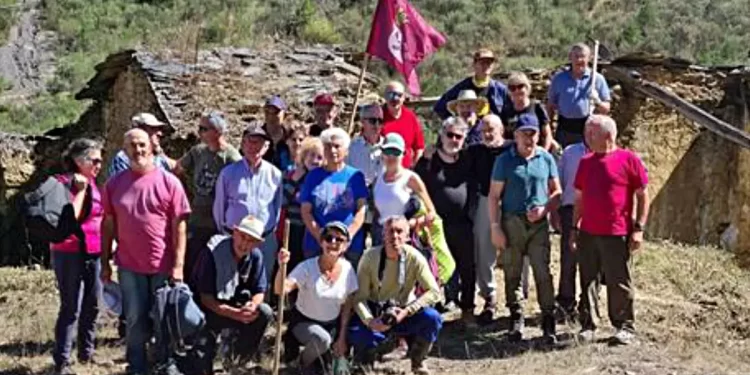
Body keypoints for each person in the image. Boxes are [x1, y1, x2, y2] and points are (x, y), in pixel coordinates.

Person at [101, 128, 191, 375]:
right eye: (132, 145)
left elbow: (180, 226)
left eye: (142, 144)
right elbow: (107, 224)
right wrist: (105, 262)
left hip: (163, 264)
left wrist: (179, 264)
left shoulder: (169, 182)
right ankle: (137, 365)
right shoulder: (114, 185)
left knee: (164, 318)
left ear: (151, 146)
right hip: (129, 264)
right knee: (134, 318)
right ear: (124, 149)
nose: (138, 150)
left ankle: (166, 362)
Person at [571, 115, 649, 345]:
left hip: (617, 232)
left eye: (591, 133)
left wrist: (639, 228)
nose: (587, 137)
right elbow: (579, 198)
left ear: (607, 135)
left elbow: (643, 195)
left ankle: (625, 327)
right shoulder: (586, 162)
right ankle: (588, 325)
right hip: (588, 232)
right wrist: (574, 228)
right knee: (588, 279)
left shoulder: (628, 159)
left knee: (619, 280)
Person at [488, 113, 561, 344]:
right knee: (512, 271)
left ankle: (548, 319)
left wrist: (546, 209)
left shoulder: (546, 158)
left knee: (543, 271)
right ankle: (516, 317)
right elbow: (493, 196)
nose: (529, 139)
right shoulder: (505, 160)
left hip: (538, 223)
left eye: (533, 134)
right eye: (524, 134)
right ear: (516, 135)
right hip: (513, 221)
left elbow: (557, 192)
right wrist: (495, 227)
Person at [348, 216, 442, 375]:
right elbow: (359, 298)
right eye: (390, 231)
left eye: (399, 231)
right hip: (375, 312)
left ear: (407, 236)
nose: (395, 236)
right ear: (383, 234)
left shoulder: (415, 257)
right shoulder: (369, 257)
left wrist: (408, 310)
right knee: (356, 332)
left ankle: (418, 360)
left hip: (403, 312)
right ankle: (365, 362)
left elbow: (434, 292)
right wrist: (370, 321)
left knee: (432, 318)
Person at [192, 214, 274, 373]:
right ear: (234, 232)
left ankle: (240, 357)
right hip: (209, 310)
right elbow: (205, 298)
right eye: (242, 236)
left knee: (264, 312)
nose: (244, 244)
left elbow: (260, 289)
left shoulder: (256, 256)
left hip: (238, 307)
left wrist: (253, 304)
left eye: (251, 240)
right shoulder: (212, 252)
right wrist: (235, 314)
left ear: (258, 243)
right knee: (201, 365)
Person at [275, 222, 358, 375]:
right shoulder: (306, 267)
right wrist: (282, 266)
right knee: (322, 340)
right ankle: (297, 365)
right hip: (304, 323)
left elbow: (347, 305)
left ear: (345, 246)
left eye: (339, 239)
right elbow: (281, 289)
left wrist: (341, 338)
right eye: (328, 238)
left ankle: (314, 363)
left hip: (331, 326)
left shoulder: (348, 270)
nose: (333, 242)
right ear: (321, 242)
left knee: (336, 371)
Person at [415, 117, 476, 327]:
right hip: (435, 226)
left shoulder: (468, 159)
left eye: (459, 136)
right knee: (433, 269)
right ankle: (430, 312)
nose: (454, 139)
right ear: (441, 135)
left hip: (462, 223)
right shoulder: (429, 160)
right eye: (449, 134)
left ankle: (467, 309)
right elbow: (415, 187)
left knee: (468, 267)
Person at [51, 139, 104, 375]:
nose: (99, 164)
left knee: (92, 304)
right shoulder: (62, 183)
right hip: (68, 252)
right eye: (95, 160)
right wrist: (80, 191)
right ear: (79, 161)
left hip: (92, 252)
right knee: (70, 306)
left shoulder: (93, 183)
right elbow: (68, 217)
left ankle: (86, 353)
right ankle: (62, 360)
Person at [174, 111, 242, 282]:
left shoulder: (231, 159)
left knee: (211, 268)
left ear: (217, 131)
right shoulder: (198, 152)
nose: (199, 132)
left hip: (218, 223)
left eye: (204, 129)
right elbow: (177, 169)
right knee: (192, 263)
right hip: (197, 219)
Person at [213, 122, 283, 285]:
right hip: (234, 238)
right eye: (249, 141)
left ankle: (259, 310)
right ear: (243, 144)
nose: (253, 147)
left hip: (263, 240)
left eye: (258, 143)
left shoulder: (275, 175)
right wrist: (225, 233)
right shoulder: (228, 173)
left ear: (266, 147)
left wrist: (270, 231)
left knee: (261, 283)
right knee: (230, 282)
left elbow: (277, 207)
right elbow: (219, 207)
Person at [466, 115, 512, 325]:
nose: (487, 133)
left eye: (491, 128)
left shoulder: (512, 148)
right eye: (483, 129)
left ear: (501, 130)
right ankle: (489, 296)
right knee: (484, 248)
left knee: (517, 249)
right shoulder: (475, 151)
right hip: (485, 200)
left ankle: (517, 298)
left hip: (511, 201)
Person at [300, 128, 368, 266]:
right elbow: (306, 210)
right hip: (316, 245)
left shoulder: (356, 176)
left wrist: (347, 237)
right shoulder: (313, 176)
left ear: (346, 151)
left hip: (349, 247)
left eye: (337, 146)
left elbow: (361, 210)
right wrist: (320, 236)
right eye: (328, 146)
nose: (332, 150)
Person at [373, 133, 437, 247]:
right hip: (381, 240)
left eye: (396, 152)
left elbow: (431, 213)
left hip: (404, 241)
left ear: (403, 154)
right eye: (387, 151)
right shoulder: (378, 179)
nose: (391, 156)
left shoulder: (411, 178)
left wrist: (410, 224)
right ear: (382, 154)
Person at [551, 135, 589, 317]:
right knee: (568, 258)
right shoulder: (570, 152)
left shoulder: (609, 152)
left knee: (591, 259)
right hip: (570, 208)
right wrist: (556, 210)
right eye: (588, 130)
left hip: (595, 210)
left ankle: (588, 305)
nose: (591, 134)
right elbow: (560, 181)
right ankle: (565, 303)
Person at [547, 43, 611, 148]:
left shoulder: (597, 79)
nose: (579, 60)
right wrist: (548, 132)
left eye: (583, 56)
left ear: (589, 58)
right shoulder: (559, 79)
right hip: (564, 131)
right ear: (570, 57)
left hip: (588, 131)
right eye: (576, 56)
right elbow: (550, 106)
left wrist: (597, 101)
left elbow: (606, 109)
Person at [280, 136, 324, 276]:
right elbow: (282, 200)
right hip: (293, 227)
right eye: (311, 155)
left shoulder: (324, 179)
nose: (315, 160)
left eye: (320, 157)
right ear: (304, 155)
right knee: (292, 264)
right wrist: (294, 181)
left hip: (313, 229)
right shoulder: (291, 174)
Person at [433, 48, 511, 119]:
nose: (486, 66)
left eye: (489, 63)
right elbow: (440, 107)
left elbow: (510, 113)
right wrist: (455, 123)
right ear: (474, 64)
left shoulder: (500, 89)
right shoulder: (462, 86)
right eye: (482, 63)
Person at [108, 113, 174, 177]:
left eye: (159, 129)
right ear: (140, 130)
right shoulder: (123, 158)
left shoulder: (158, 157)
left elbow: (175, 168)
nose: (159, 133)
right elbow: (122, 185)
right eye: (153, 128)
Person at [501, 72, 554, 152]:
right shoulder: (506, 110)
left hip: (535, 152)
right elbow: (503, 136)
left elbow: (547, 135)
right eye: (512, 88)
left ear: (527, 87)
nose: (516, 91)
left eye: (520, 86)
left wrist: (543, 153)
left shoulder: (537, 107)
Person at [381, 81, 425, 169]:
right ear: (385, 96)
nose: (395, 98)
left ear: (404, 97)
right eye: (391, 95)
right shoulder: (376, 117)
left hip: (404, 172)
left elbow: (419, 147)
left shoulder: (410, 117)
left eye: (399, 95)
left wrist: (415, 168)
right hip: (380, 171)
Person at [347, 104, 385, 187]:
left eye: (380, 121)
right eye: (373, 121)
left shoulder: (388, 147)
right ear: (362, 121)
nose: (377, 125)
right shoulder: (352, 148)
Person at [262, 95, 293, 171]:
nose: (271, 116)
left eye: (276, 112)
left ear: (285, 115)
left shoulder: (291, 136)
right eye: (267, 111)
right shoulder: (257, 135)